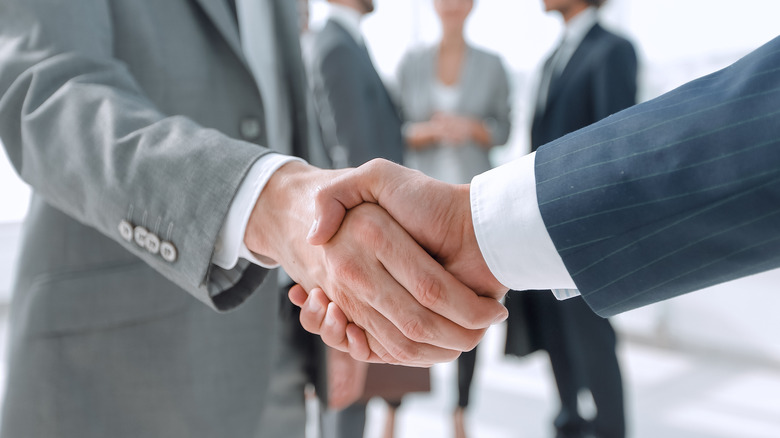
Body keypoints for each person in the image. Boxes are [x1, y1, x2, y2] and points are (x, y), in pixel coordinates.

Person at [0, 0, 507, 436]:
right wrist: (271, 203)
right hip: (122, 370)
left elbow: (286, 116)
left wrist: (340, 295)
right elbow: (45, 94)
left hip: (282, 347)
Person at [293, 34, 780, 369]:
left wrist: (476, 230)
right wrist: (475, 231)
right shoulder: (418, 63)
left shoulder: (559, 57)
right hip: (552, 239)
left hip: (568, 240)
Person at [505, 0, 637, 436]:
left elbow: (614, 146)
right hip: (543, 226)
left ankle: (612, 429)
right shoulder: (550, 59)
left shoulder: (612, 50)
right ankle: (568, 421)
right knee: (555, 331)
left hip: (585, 231)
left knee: (592, 334)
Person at [305, 1, 429, 437]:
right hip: (359, 240)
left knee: (356, 386)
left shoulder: (350, 43)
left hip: (368, 237)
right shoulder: (336, 47)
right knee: (347, 389)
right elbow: (354, 163)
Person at [394, 0, 511, 436]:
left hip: (471, 204)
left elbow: (503, 128)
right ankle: (393, 407)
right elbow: (396, 127)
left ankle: (460, 411)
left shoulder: (493, 65)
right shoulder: (411, 63)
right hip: (416, 206)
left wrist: (471, 127)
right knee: (406, 303)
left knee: (471, 308)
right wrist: (428, 131)